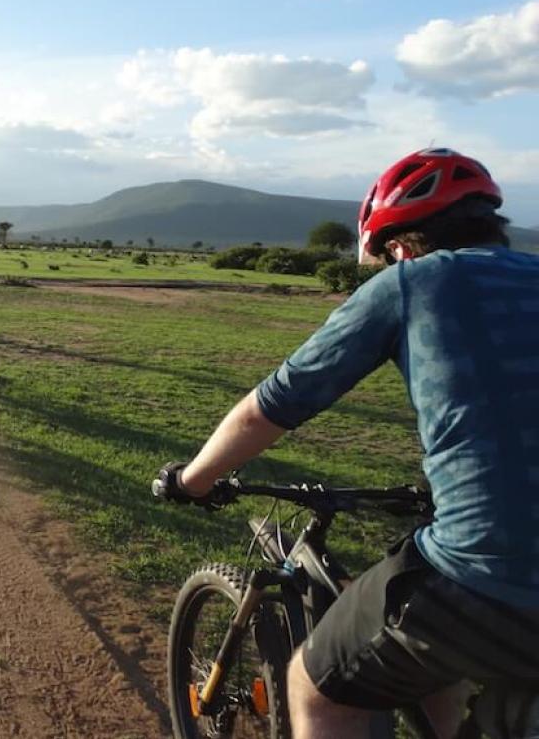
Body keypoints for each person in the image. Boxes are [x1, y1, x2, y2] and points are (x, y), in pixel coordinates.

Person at [154, 147, 539, 738]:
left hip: (488, 571)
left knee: (315, 690)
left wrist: (192, 479)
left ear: (401, 247)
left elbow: (271, 406)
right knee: (433, 663)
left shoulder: (414, 282)